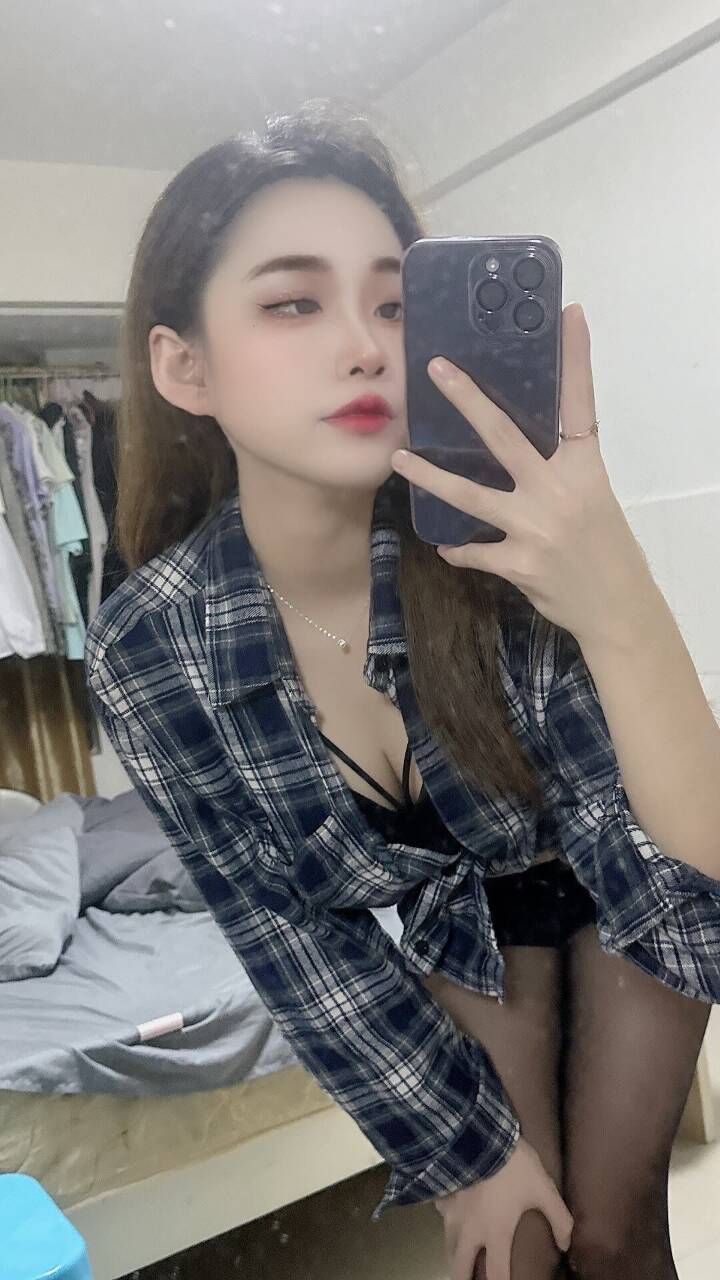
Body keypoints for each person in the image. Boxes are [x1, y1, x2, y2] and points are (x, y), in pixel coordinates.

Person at [84, 99, 720, 1280]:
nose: (367, 345)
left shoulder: (497, 542)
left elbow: (685, 861)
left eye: (392, 302)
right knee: (513, 1247)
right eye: (294, 302)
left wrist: (618, 595)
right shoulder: (154, 645)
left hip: (620, 868)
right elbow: (290, 935)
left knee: (617, 1232)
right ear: (183, 366)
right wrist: (467, 1150)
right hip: (457, 911)